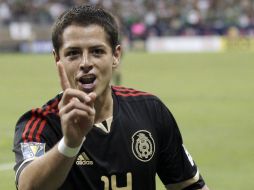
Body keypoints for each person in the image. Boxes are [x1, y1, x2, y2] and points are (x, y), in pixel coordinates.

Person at [13, 4, 209, 190]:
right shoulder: (39, 123)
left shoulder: (150, 110)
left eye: (97, 52)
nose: (86, 63)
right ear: (58, 59)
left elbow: (190, 185)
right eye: (73, 53)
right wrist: (70, 144)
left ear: (115, 56)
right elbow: (27, 185)